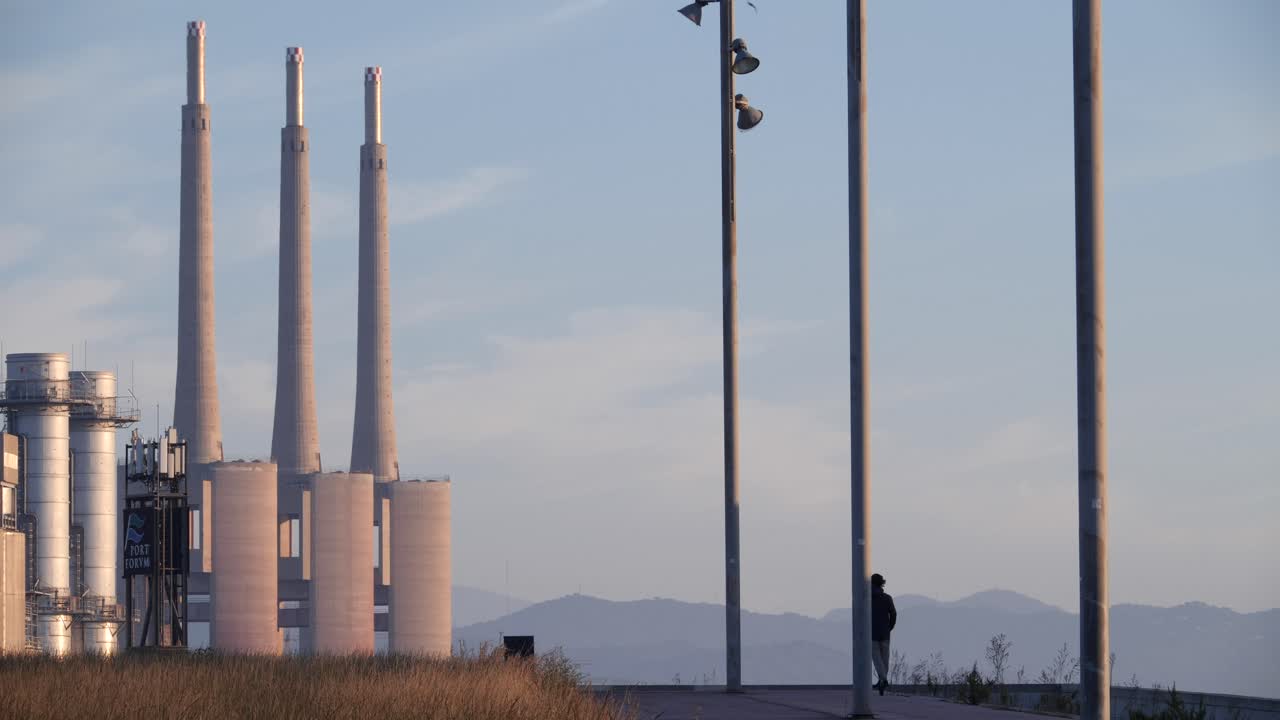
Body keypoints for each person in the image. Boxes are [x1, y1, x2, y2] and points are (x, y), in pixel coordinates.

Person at [871, 572, 896, 695]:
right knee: (885, 658)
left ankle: (883, 679)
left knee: (876, 659)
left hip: (872, 633)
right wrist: (889, 627)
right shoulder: (887, 598)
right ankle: (882, 680)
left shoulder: (867, 599)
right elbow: (894, 614)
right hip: (885, 632)